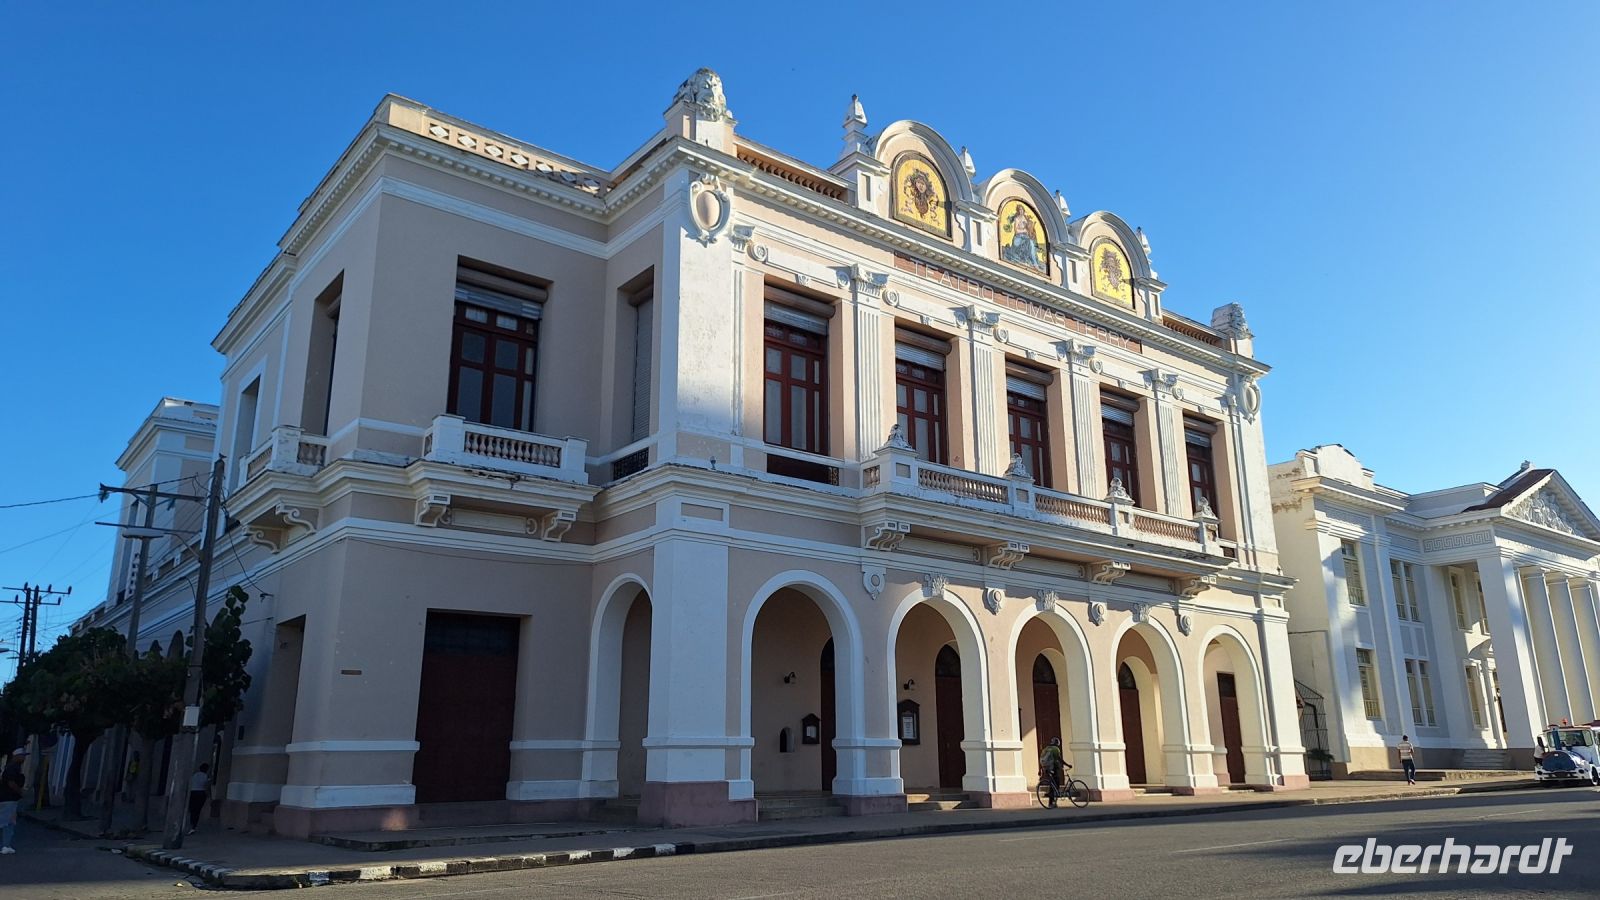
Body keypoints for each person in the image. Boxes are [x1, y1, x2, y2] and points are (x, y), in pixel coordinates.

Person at [1, 747, 27, 855]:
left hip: (8, 799)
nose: (24, 757)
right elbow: (11, 783)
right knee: (8, 822)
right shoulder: (12, 768)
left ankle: (6, 845)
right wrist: (20, 792)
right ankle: (5, 845)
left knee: (7, 821)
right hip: (9, 799)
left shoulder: (12, 767)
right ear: (16, 756)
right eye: (22, 755)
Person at [1039, 737, 1065, 808]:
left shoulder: (1046, 749)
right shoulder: (1055, 749)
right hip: (1053, 767)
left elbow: (1042, 758)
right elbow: (1059, 759)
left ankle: (1052, 801)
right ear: (1057, 743)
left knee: (1052, 784)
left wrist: (1040, 769)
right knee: (1056, 783)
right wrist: (1066, 764)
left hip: (1046, 767)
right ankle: (1052, 799)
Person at [187, 763, 211, 835]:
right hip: (201, 793)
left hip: (193, 792)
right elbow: (207, 787)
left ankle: (192, 824)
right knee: (198, 810)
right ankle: (194, 826)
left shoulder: (194, 775)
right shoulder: (206, 776)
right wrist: (209, 796)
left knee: (192, 809)